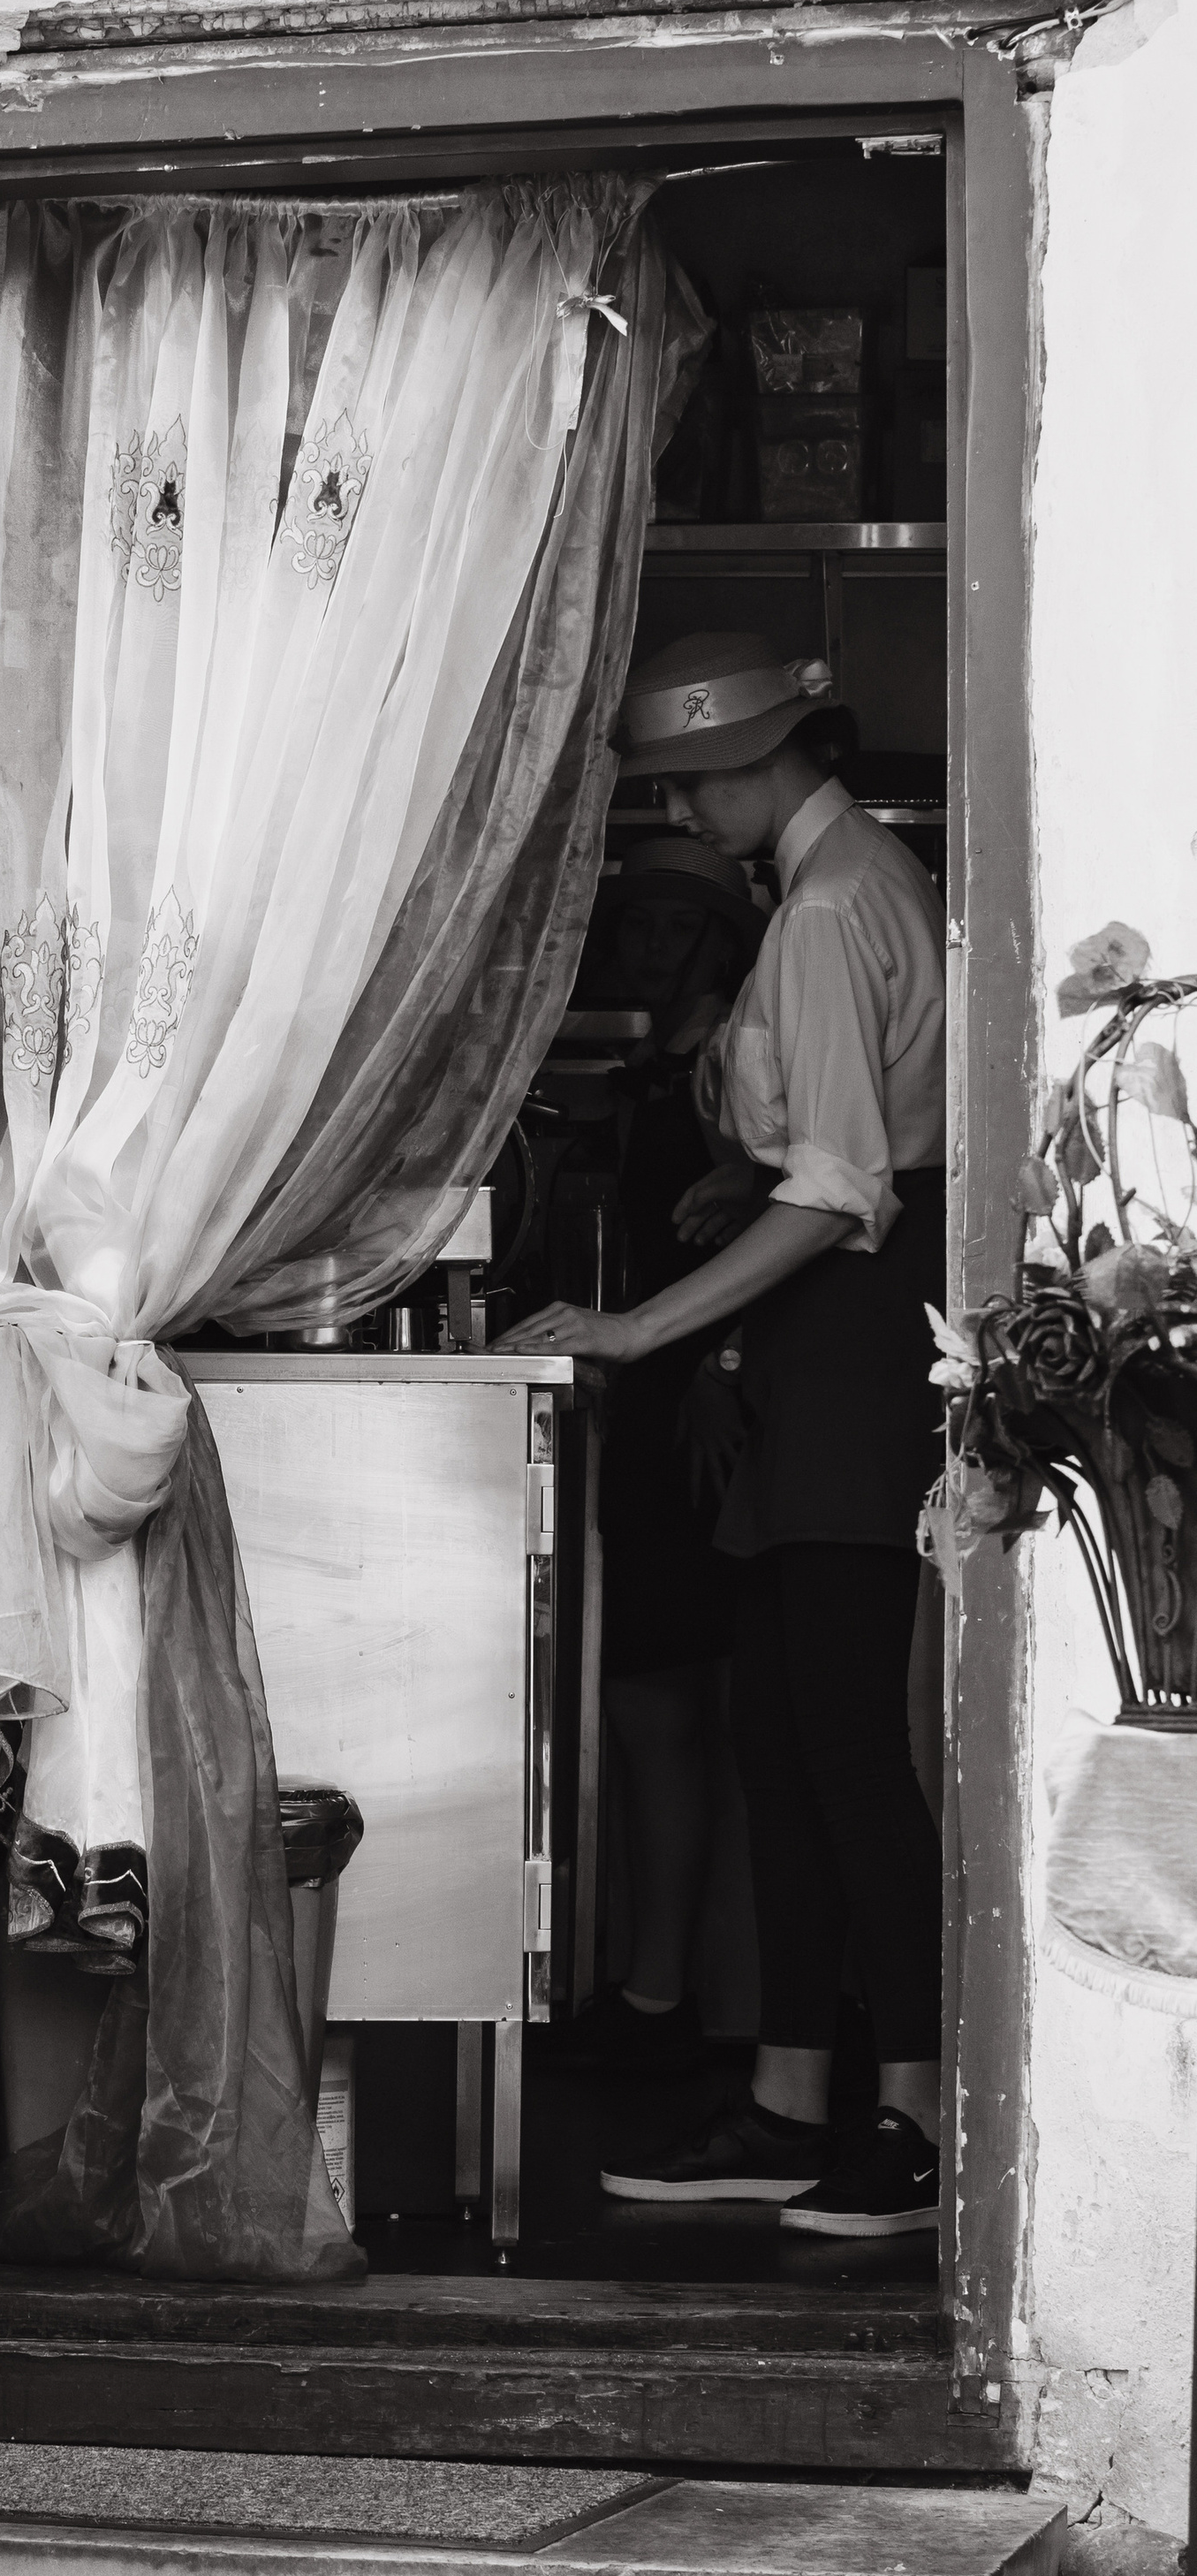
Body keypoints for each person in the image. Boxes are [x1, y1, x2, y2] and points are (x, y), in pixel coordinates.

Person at [502, 629, 947, 2240]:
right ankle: (788, 2100)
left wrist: (630, 1327)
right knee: (784, 1739)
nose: (682, 808)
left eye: (693, 777)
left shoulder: (828, 913)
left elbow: (843, 1188)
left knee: (840, 1748)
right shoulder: (848, 886)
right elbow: (829, 1160)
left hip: (856, 1347)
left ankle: (906, 2118)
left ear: (764, 757)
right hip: (834, 1343)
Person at [577, 836, 765, 2071]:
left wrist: (721, 1364)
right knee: (654, 1707)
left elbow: (785, 1218)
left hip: (692, 1412)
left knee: (669, 1709)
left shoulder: (738, 1075)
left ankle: (662, 2001)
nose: (649, 944)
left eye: (675, 925)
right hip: (640, 1403)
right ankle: (663, 1987)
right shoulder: (650, 1072)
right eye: (634, 921)